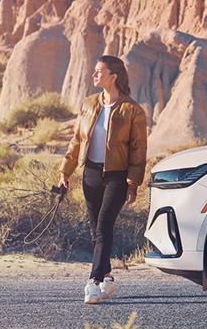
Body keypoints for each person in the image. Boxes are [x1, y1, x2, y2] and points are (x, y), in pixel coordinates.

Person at [58, 55, 148, 304]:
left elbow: (138, 149)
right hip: (91, 174)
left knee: (104, 226)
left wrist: (133, 182)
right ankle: (107, 276)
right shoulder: (88, 104)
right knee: (95, 229)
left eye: (99, 71)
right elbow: (77, 140)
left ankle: (93, 281)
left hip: (117, 177)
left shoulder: (132, 110)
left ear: (113, 76)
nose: (94, 75)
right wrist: (65, 171)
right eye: (94, 71)